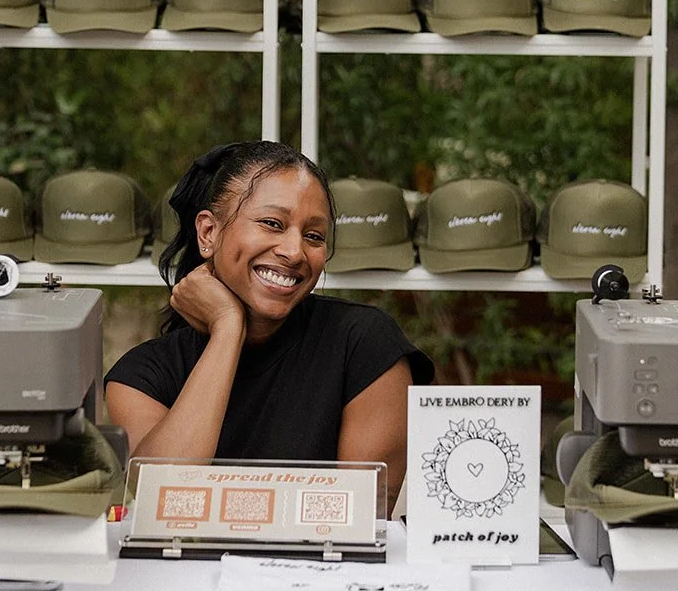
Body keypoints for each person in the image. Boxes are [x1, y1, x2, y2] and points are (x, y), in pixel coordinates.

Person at [105, 141, 433, 506]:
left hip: (323, 564)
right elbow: (163, 499)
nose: (294, 252)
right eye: (272, 224)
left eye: (314, 236)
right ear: (208, 233)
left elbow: (363, 516)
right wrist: (228, 329)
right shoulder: (140, 376)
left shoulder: (366, 347)